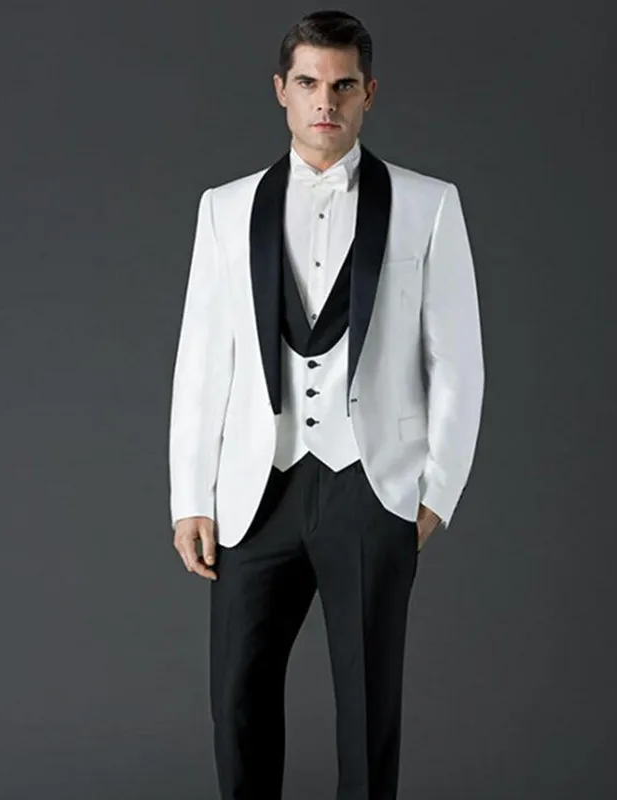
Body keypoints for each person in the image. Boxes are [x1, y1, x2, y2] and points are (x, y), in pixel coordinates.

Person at [168, 9, 485, 799]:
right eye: (309, 83)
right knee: (237, 702)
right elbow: (202, 360)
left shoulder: (428, 204)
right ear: (281, 89)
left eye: (343, 85)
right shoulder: (224, 207)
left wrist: (436, 493)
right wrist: (190, 496)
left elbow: (458, 361)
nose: (325, 101)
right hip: (256, 489)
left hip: (373, 486)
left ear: (368, 93)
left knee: (369, 715)